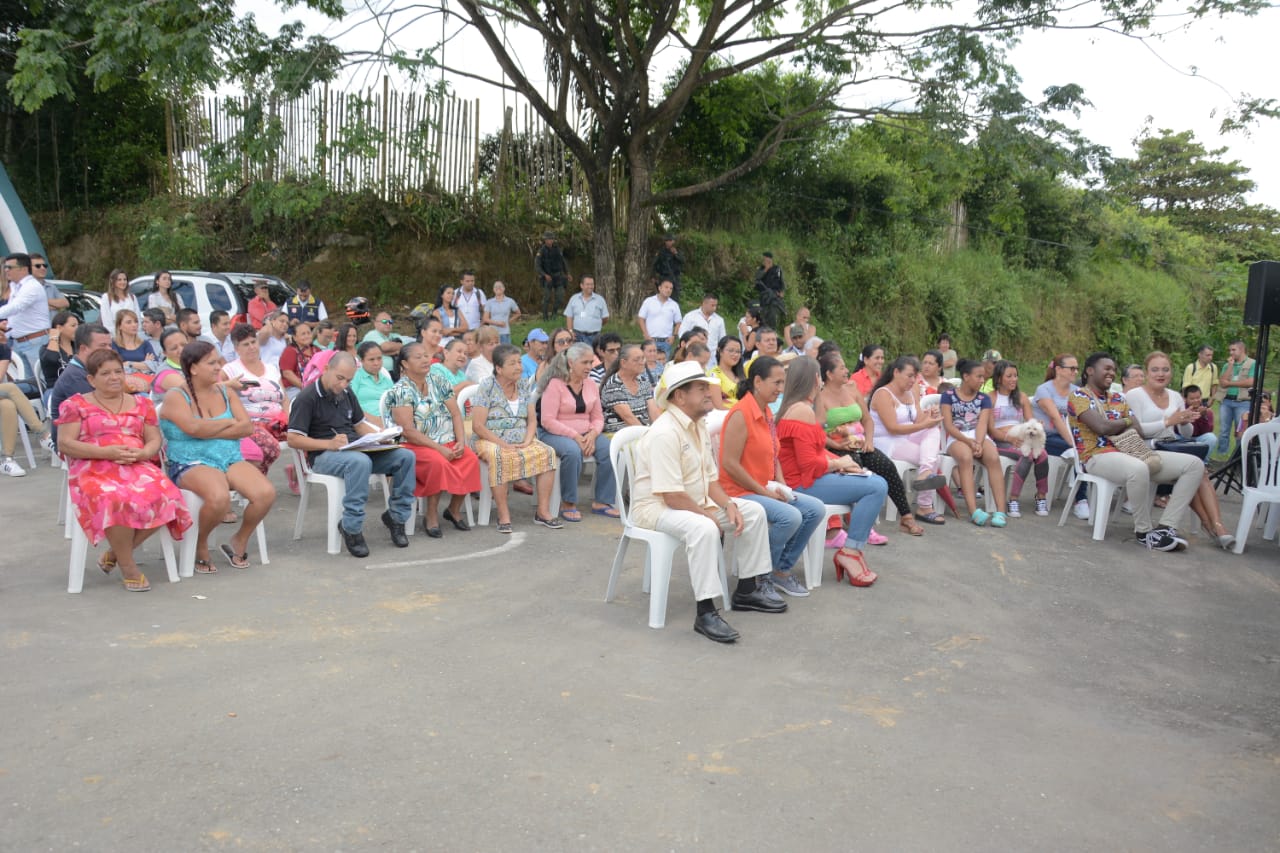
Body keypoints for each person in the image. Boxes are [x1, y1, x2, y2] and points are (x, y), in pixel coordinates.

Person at [630, 361, 784, 641]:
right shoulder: (665, 432)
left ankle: (747, 590)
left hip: (690, 502)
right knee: (704, 528)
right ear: (679, 396)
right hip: (656, 508)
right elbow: (671, 494)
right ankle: (705, 612)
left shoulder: (698, 425)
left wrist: (728, 505)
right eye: (701, 388)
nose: (708, 393)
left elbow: (711, 481)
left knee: (752, 511)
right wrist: (706, 514)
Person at [56, 349, 193, 590]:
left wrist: (143, 453)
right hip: (92, 467)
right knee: (114, 498)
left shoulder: (142, 403)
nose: (114, 377)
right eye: (105, 373)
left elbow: (154, 440)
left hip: (136, 464)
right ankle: (128, 565)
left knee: (168, 496)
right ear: (91, 379)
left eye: (118, 371)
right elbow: (65, 443)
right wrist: (106, 453)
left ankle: (116, 553)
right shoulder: (75, 405)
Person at [1067, 352, 1205, 552]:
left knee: (1193, 465)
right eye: (1106, 368)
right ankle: (1144, 533)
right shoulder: (1079, 396)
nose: (1111, 373)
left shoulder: (1117, 397)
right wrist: (1125, 421)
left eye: (1113, 369)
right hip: (1096, 456)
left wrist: (1119, 424)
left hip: (1131, 451)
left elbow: (1138, 431)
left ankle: (1166, 527)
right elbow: (1102, 428)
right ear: (1090, 371)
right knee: (1138, 469)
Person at [161, 340, 276, 571]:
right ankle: (200, 543)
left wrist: (209, 427)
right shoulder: (176, 396)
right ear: (193, 368)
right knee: (219, 497)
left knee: (265, 493)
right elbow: (193, 430)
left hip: (228, 456)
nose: (218, 367)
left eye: (218, 362)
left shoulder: (225, 390)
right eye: (211, 363)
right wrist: (227, 423)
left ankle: (239, 539)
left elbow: (246, 428)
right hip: (189, 461)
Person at [287, 352, 416, 558]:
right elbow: (293, 438)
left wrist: (380, 437)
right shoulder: (307, 397)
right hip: (323, 455)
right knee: (360, 462)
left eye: (349, 380)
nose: (344, 384)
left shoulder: (346, 393)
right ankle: (352, 527)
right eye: (340, 378)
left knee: (404, 457)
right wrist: (328, 443)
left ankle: (396, 517)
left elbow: (359, 425)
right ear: (326, 369)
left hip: (353, 449)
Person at [718, 355, 822, 598]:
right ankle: (760, 576)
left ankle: (780, 570)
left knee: (814, 509)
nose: (780, 389)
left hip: (764, 486)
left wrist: (784, 487)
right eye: (776, 383)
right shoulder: (741, 414)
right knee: (790, 517)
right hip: (739, 492)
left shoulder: (765, 412)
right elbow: (729, 465)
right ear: (757, 381)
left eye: (782, 383)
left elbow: (774, 454)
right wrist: (765, 492)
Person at [778, 357, 887, 587]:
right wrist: (839, 464)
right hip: (800, 484)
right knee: (876, 486)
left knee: (871, 480)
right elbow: (809, 466)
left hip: (805, 479)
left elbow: (817, 451)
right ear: (816, 378)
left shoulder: (801, 408)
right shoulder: (801, 411)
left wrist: (841, 461)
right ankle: (850, 552)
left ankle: (852, 551)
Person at [1126, 351, 1235, 549]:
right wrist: (1168, 421)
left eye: (1165, 370)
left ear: (1171, 373)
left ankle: (1214, 525)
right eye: (1155, 370)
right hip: (1144, 451)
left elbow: (1186, 433)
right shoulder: (1135, 395)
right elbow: (1136, 431)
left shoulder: (1175, 396)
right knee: (1196, 469)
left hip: (1171, 446)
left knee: (1197, 470)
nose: (1161, 374)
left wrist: (1185, 420)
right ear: (1146, 372)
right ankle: (1213, 526)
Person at [386, 341, 481, 537]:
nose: (425, 360)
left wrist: (461, 441)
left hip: (446, 440)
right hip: (414, 445)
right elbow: (408, 431)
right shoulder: (400, 390)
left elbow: (456, 414)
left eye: (425, 355)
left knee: (470, 459)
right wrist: (439, 448)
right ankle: (431, 515)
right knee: (438, 462)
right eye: (418, 357)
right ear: (404, 363)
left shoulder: (438, 381)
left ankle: (453, 510)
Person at [469, 344, 563, 532]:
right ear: (499, 368)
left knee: (547, 453)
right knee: (499, 456)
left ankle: (543, 512)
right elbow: (478, 426)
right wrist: (504, 444)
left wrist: (529, 440)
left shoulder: (522, 385)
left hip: (521, 439)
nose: (519, 367)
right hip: (490, 439)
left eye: (519, 362)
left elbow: (531, 420)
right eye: (512, 363)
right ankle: (503, 515)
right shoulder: (486, 386)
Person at [536, 343, 619, 521]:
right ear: (571, 363)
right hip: (554, 433)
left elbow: (598, 417)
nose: (589, 367)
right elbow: (547, 421)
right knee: (572, 452)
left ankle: (602, 501)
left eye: (591, 362)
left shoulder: (590, 385)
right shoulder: (555, 385)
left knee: (609, 449)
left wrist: (592, 434)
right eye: (585, 362)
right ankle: (568, 503)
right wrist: (575, 436)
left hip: (586, 433)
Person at [869, 355, 948, 526]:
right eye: (910, 375)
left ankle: (925, 474)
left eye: (915, 376)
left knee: (932, 430)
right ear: (896, 372)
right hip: (887, 441)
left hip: (907, 437)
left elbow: (918, 420)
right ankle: (925, 506)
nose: (913, 380)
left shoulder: (911, 392)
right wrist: (925, 424)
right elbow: (893, 428)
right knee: (935, 457)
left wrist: (929, 416)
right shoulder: (883, 394)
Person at [941, 358, 1008, 526]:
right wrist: (969, 442)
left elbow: (982, 424)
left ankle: (1000, 511)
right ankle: (973, 510)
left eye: (983, 377)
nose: (982, 380)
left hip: (977, 435)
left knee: (993, 457)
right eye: (978, 377)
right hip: (956, 436)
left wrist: (978, 442)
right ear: (966, 376)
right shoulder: (948, 396)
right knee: (965, 458)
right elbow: (948, 425)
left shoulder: (983, 398)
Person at [221, 322, 289, 477]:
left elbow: (284, 399)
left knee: (305, 433)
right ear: (237, 349)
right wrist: (228, 384)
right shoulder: (230, 370)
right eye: (246, 344)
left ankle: (299, 474)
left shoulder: (271, 368)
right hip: (251, 424)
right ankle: (254, 481)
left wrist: (289, 419)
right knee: (268, 446)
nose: (251, 347)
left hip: (277, 423)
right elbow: (212, 388)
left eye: (253, 342)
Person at [988, 360, 1050, 518]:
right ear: (999, 378)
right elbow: (990, 429)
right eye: (1009, 376)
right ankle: (1013, 498)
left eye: (1015, 376)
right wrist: (1008, 439)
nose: (1013, 379)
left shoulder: (1021, 397)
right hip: (1000, 441)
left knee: (1042, 455)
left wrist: (1037, 424)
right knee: (1026, 455)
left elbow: (1030, 421)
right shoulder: (991, 398)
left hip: (1021, 437)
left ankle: (1041, 496)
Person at [1034, 353, 1090, 519]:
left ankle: (1081, 495)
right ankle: (1081, 500)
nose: (1075, 372)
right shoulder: (1044, 390)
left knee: (1087, 449)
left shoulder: (1077, 392)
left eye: (1077, 368)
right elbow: (1056, 419)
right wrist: (1075, 444)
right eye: (1071, 368)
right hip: (1046, 438)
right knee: (1081, 451)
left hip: (1067, 436)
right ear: (1058, 369)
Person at [49, 323, 114, 442]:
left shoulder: (92, 369)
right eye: (103, 346)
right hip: (75, 441)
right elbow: (99, 410)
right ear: (84, 348)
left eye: (110, 345)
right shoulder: (75, 376)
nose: (109, 350)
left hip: (96, 429)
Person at [0, 331, 50, 476]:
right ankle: (43, 433)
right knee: (10, 388)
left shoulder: (3, 350)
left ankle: (6, 459)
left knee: (8, 405)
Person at [1, 253, 54, 377]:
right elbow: (16, 314)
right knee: (27, 385)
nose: (6, 270)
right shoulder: (15, 286)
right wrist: (7, 325)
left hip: (35, 341)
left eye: (10, 267)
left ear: (24, 269)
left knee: (42, 381)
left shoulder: (32, 286)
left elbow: (16, 307)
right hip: (20, 342)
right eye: (5, 267)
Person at [600, 344, 657, 434]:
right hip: (621, 435)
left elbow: (653, 410)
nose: (642, 362)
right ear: (623, 363)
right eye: (637, 360)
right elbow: (627, 417)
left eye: (643, 358)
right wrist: (647, 436)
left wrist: (659, 430)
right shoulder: (614, 384)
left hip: (644, 431)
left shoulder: (642, 380)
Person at [1217, 339, 1255, 455]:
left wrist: (1230, 383)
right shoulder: (1227, 365)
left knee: (1241, 431)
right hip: (1226, 401)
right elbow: (1222, 382)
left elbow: (1251, 382)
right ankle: (1222, 454)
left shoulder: (1252, 363)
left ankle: (1239, 456)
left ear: (1242, 349)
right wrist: (1230, 366)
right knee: (1224, 430)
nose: (1231, 353)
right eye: (1230, 350)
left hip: (1243, 402)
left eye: (1234, 350)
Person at [351, 341, 394, 428]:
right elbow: (350, 404)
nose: (376, 363)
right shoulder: (356, 377)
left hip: (389, 422)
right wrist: (373, 419)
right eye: (371, 359)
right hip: (363, 422)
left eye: (379, 358)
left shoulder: (387, 380)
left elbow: (396, 404)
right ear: (361, 360)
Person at [637, 279, 682, 358]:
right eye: (666, 287)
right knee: (649, 363)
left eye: (671, 288)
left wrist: (674, 336)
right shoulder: (649, 301)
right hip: (651, 340)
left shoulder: (674, 305)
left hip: (666, 342)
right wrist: (646, 334)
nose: (668, 290)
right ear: (660, 288)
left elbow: (678, 322)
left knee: (664, 365)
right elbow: (641, 318)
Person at [678, 294, 726, 365]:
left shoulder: (719, 320)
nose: (714, 308)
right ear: (704, 303)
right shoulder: (690, 316)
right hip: (694, 354)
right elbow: (682, 334)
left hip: (712, 356)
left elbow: (722, 339)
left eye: (716, 305)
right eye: (712, 305)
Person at [564, 274, 609, 345]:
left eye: (592, 284)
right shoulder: (574, 298)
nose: (590, 287)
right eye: (588, 284)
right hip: (578, 336)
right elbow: (569, 316)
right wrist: (570, 331)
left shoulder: (600, 300)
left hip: (594, 336)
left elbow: (605, 318)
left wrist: (596, 324)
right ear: (581, 285)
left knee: (593, 355)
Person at [279, 322, 318, 399]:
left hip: (315, 387)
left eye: (308, 333)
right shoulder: (290, 351)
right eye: (303, 334)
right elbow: (287, 373)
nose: (307, 336)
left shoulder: (316, 349)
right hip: (294, 388)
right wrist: (305, 387)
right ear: (295, 337)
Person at [41, 310, 78, 392]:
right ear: (59, 328)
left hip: (78, 386)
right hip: (56, 389)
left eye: (77, 325)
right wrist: (54, 337)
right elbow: (52, 358)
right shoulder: (45, 349)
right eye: (73, 326)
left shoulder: (78, 346)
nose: (77, 328)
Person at [535, 231, 568, 319]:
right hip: (547, 278)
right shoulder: (541, 251)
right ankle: (545, 317)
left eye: (551, 239)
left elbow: (563, 262)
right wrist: (544, 275)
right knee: (547, 298)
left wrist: (567, 273)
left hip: (558, 276)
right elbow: (537, 266)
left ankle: (554, 313)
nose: (550, 241)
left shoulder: (557, 249)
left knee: (560, 296)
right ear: (545, 240)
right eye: (548, 239)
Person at [150, 329, 190, 403]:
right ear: (165, 353)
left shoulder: (194, 363)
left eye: (184, 345)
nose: (181, 350)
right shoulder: (165, 373)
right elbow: (190, 393)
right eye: (174, 348)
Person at [111, 310, 155, 374]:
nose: (134, 325)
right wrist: (145, 364)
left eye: (136, 321)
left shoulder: (145, 344)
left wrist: (129, 363)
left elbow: (155, 365)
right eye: (129, 322)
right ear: (119, 326)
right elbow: (116, 367)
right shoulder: (113, 344)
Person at [99, 268, 140, 337]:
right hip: (116, 338)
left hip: (133, 337)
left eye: (125, 279)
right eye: (119, 280)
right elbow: (107, 323)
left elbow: (138, 318)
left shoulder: (132, 297)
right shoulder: (106, 297)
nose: (123, 282)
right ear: (113, 281)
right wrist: (119, 337)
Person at [29, 252, 69, 319]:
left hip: (53, 328)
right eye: (38, 266)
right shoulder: (24, 287)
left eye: (45, 265)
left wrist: (41, 300)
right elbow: (31, 310)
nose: (42, 268)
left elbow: (65, 303)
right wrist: (56, 305)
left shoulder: (51, 287)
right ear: (28, 269)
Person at [709, 336, 745, 409]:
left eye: (738, 352)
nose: (735, 355)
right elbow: (718, 406)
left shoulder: (742, 373)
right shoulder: (714, 374)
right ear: (720, 351)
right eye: (731, 350)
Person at [1181, 385, 1218, 452]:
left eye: (1198, 398)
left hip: (1197, 438)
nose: (1196, 401)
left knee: (1211, 437)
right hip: (1181, 438)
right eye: (1192, 399)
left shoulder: (1207, 411)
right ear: (1185, 399)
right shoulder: (1181, 409)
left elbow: (1208, 431)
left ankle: (1204, 461)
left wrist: (1203, 417)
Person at [753, 252, 784, 329]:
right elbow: (757, 278)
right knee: (763, 315)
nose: (765, 262)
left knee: (773, 315)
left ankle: (772, 331)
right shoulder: (761, 269)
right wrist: (766, 269)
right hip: (764, 296)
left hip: (774, 296)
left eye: (767, 260)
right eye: (764, 260)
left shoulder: (777, 269)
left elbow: (781, 281)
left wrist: (782, 291)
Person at [652, 234, 683, 301]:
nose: (669, 242)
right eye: (667, 240)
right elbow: (654, 264)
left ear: (673, 241)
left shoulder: (677, 251)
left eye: (670, 240)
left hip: (675, 278)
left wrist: (676, 254)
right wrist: (654, 276)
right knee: (663, 296)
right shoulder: (661, 252)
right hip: (664, 277)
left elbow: (682, 261)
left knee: (675, 298)